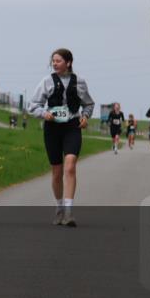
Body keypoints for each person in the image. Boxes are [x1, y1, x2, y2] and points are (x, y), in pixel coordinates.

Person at [28, 48, 95, 227]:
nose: (54, 64)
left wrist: (85, 117)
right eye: (53, 61)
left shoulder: (80, 82)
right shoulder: (46, 82)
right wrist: (44, 113)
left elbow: (88, 103)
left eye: (58, 61)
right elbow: (32, 105)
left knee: (70, 166)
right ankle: (59, 207)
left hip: (72, 127)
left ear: (68, 62)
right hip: (53, 129)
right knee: (57, 172)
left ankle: (69, 211)